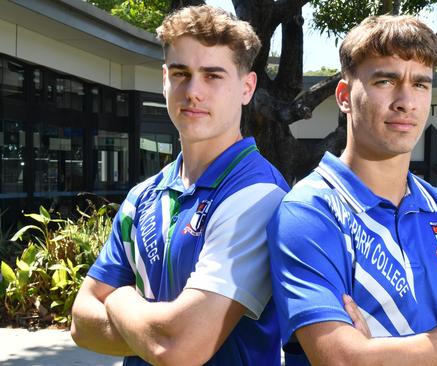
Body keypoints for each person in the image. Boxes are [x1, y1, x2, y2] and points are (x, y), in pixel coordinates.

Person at [267, 15, 437, 365]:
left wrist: (383, 355)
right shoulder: (308, 211)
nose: (406, 101)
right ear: (344, 96)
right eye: (385, 80)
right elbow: (345, 360)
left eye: (420, 84)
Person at [71, 5, 288, 365]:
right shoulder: (142, 196)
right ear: (164, 79)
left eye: (213, 76)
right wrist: (156, 330)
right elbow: (81, 321)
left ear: (247, 87)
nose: (193, 92)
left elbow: (179, 348)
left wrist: (121, 299)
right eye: (181, 73)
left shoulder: (258, 195)